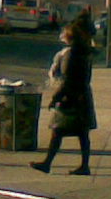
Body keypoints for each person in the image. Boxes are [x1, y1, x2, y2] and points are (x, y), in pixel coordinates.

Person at [32, 15, 98, 176]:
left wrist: (55, 98)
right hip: (82, 95)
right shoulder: (84, 51)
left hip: (71, 98)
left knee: (58, 130)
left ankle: (48, 163)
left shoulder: (71, 54)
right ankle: (83, 165)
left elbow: (67, 79)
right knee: (82, 133)